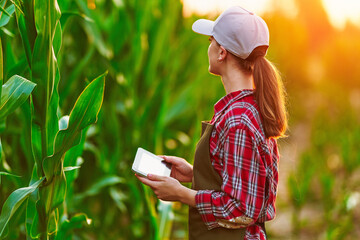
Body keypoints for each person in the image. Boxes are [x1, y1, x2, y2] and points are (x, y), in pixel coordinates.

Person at [136, 6, 287, 240]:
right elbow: (245, 181)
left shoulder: (238, 120)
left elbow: (242, 208)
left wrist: (183, 194)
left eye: (211, 41)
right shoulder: (246, 110)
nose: (209, 47)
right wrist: (193, 173)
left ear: (221, 53)